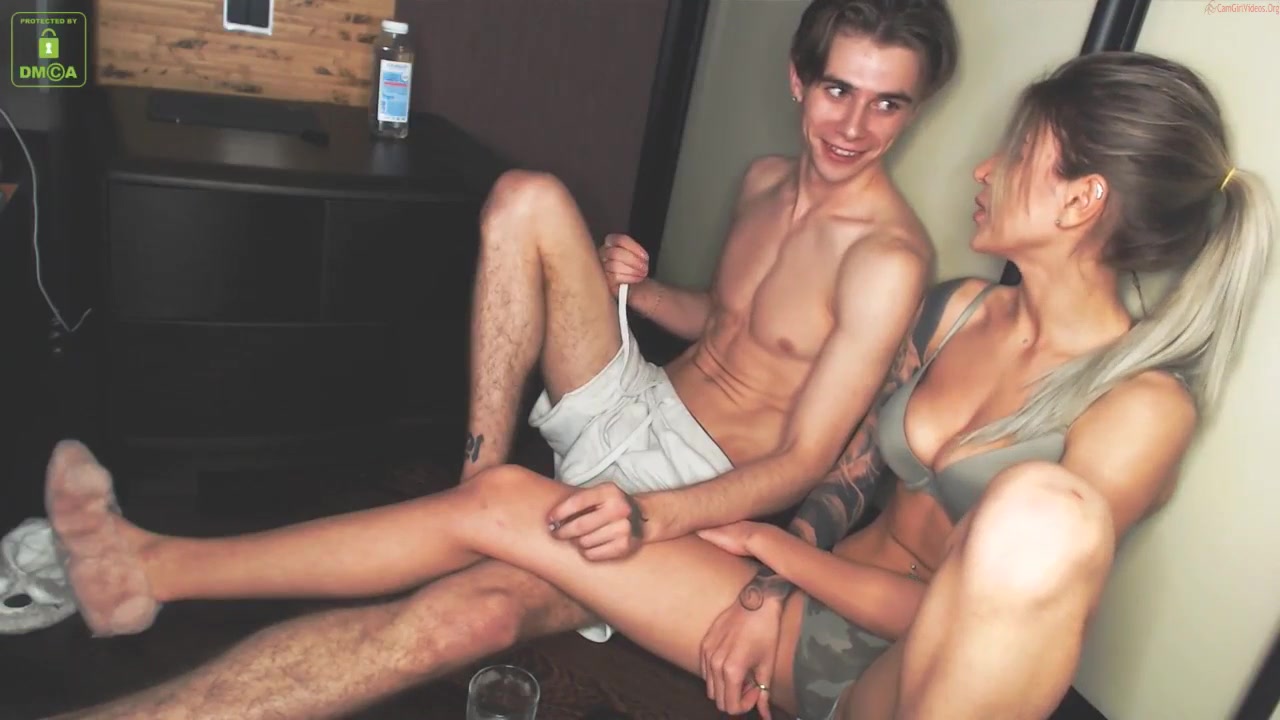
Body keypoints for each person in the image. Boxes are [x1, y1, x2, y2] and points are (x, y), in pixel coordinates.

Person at [53, 48, 1273, 720]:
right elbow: (847, 476)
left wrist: (771, 559)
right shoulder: (963, 307)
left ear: (1080, 201)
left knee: (1033, 518)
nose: (983, 169)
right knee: (499, 501)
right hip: (792, 595)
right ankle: (153, 569)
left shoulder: (1135, 411)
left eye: (1018, 155)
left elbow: (976, 630)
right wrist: (767, 575)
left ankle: (156, 571)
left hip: (889, 676)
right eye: (835, 89)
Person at [45, 1, 959, 718]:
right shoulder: (764, 178)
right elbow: (728, 322)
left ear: (915, 109)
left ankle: (151, 573)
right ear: (799, 79)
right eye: (839, 90)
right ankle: (479, 480)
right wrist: (641, 291)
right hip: (637, 393)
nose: (855, 126)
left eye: (889, 103)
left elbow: (801, 461)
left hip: (692, 480)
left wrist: (651, 516)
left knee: (471, 616)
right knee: (527, 196)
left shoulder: (887, 259)